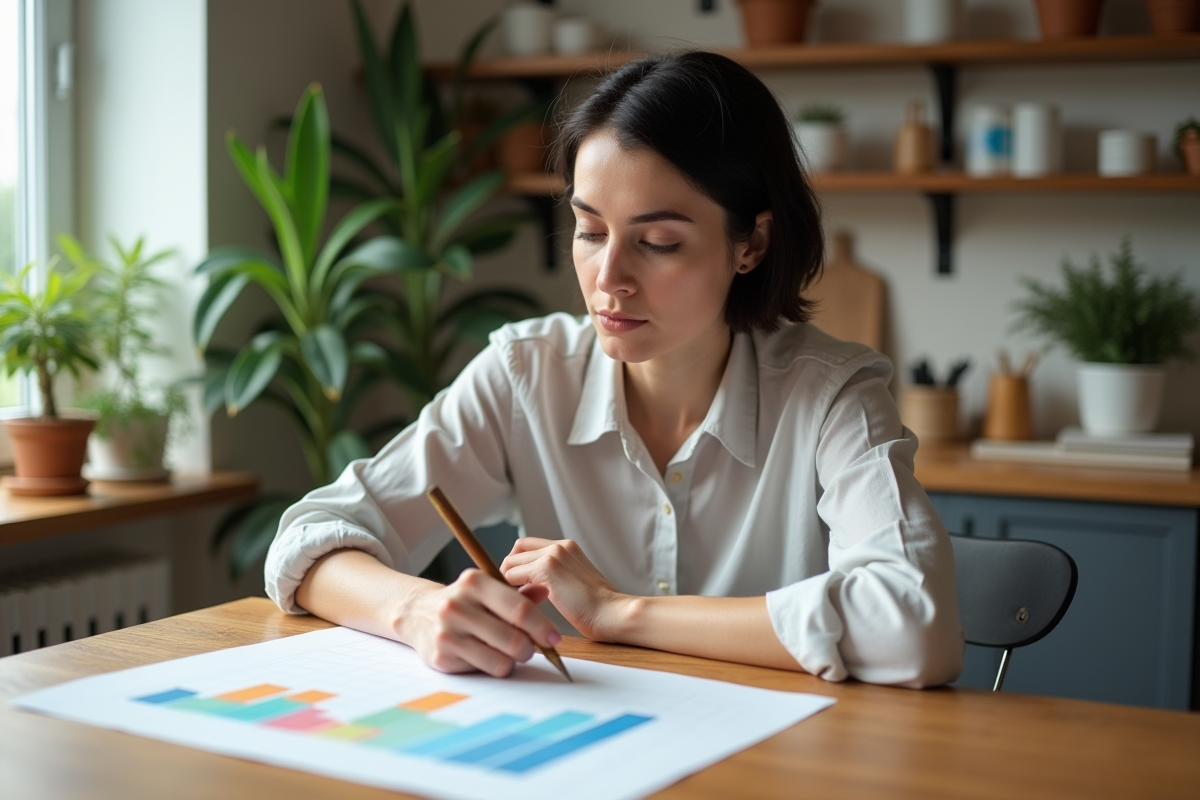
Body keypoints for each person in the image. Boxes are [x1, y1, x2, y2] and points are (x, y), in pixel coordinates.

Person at [266, 51, 963, 688]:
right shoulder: (525, 373)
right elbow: (307, 540)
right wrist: (416, 609)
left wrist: (617, 613)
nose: (610, 279)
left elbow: (916, 627)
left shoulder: (831, 394)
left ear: (750, 242)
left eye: (658, 242)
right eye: (590, 231)